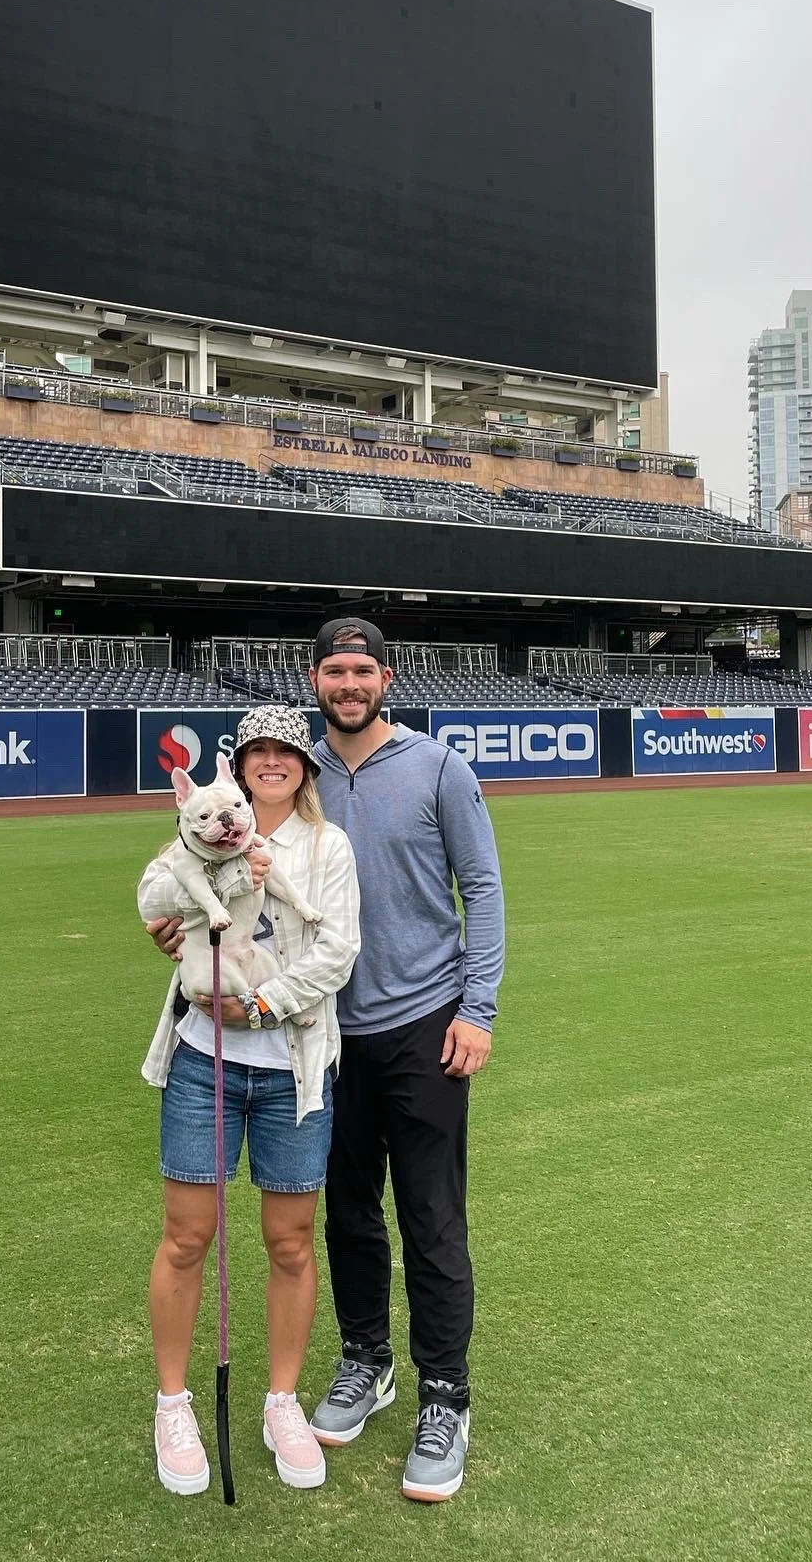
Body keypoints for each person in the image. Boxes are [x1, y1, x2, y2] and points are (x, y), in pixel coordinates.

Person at [148, 619, 504, 1502]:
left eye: (362, 670)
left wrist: (480, 1009)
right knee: (341, 1217)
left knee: (429, 1214)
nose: (349, 683)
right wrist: (176, 931)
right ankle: (366, 1362)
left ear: (384, 677)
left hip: (422, 1023)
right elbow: (190, 889)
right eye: (333, 671)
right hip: (327, 1043)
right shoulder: (264, 807)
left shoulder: (436, 767)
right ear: (316, 682)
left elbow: (483, 886)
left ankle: (444, 1395)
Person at [137, 705, 361, 1498]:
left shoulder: (326, 845)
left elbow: (338, 948)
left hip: (293, 1067)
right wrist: (165, 920)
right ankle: (173, 1403)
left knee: (291, 1241)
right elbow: (152, 892)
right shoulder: (204, 823)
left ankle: (281, 1401)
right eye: (257, 753)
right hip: (206, 1062)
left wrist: (262, 1008)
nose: (271, 764)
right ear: (236, 766)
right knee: (188, 1237)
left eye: (285, 753)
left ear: (304, 766)